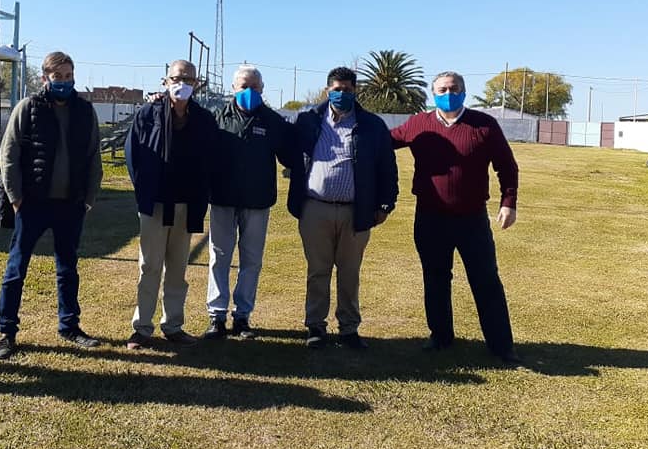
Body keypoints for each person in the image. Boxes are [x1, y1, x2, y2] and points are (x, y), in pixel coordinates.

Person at [390, 70, 521, 364]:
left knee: (486, 279)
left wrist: (508, 202)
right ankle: (440, 337)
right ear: (432, 93)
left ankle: (501, 345)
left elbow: (507, 166)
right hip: (430, 216)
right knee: (435, 278)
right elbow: (383, 142)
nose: (448, 94)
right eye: (442, 89)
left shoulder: (484, 125)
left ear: (464, 91)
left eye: (454, 88)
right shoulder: (418, 124)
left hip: (471, 219)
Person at [0, 51, 103, 359]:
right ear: (45, 78)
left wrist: (89, 198)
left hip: (71, 205)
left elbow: (94, 155)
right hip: (32, 204)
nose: (64, 82)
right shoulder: (28, 108)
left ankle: (69, 326)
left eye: (69, 76)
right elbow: (9, 153)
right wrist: (16, 198)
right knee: (16, 268)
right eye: (58, 77)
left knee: (67, 269)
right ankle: (7, 332)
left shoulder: (84, 111)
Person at [289, 66, 398, 349]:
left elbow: (387, 167)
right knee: (318, 270)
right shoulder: (308, 121)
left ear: (355, 91)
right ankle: (315, 326)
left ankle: (349, 328)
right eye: (336, 89)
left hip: (355, 210)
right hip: (315, 208)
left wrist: (386, 203)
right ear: (327, 90)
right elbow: (288, 151)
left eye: (347, 90)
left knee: (350, 272)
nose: (341, 94)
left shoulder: (371, 125)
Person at [125, 59, 217, 349]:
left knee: (178, 269)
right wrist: (144, 189)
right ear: (166, 81)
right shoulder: (148, 114)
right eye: (177, 78)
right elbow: (133, 155)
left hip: (187, 203)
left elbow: (211, 161)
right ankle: (142, 329)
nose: (183, 84)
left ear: (197, 84)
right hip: (155, 203)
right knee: (149, 267)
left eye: (189, 79)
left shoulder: (204, 119)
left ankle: (173, 325)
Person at [204, 65, 300, 340]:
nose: (249, 91)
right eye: (244, 86)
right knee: (218, 258)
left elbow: (290, 155)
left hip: (257, 201)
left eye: (254, 87)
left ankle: (242, 316)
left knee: (252, 260)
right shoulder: (217, 118)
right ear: (233, 88)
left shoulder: (272, 121)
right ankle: (217, 316)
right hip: (222, 199)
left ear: (262, 89)